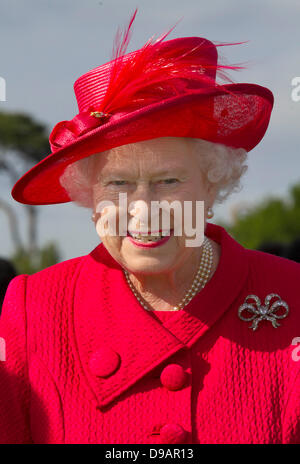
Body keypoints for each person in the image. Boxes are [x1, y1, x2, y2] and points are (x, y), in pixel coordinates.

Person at [0, 10, 299, 444]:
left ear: (212, 183)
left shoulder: (292, 294)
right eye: (117, 183)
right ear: (89, 195)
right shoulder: (33, 310)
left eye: (168, 181)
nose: (142, 210)